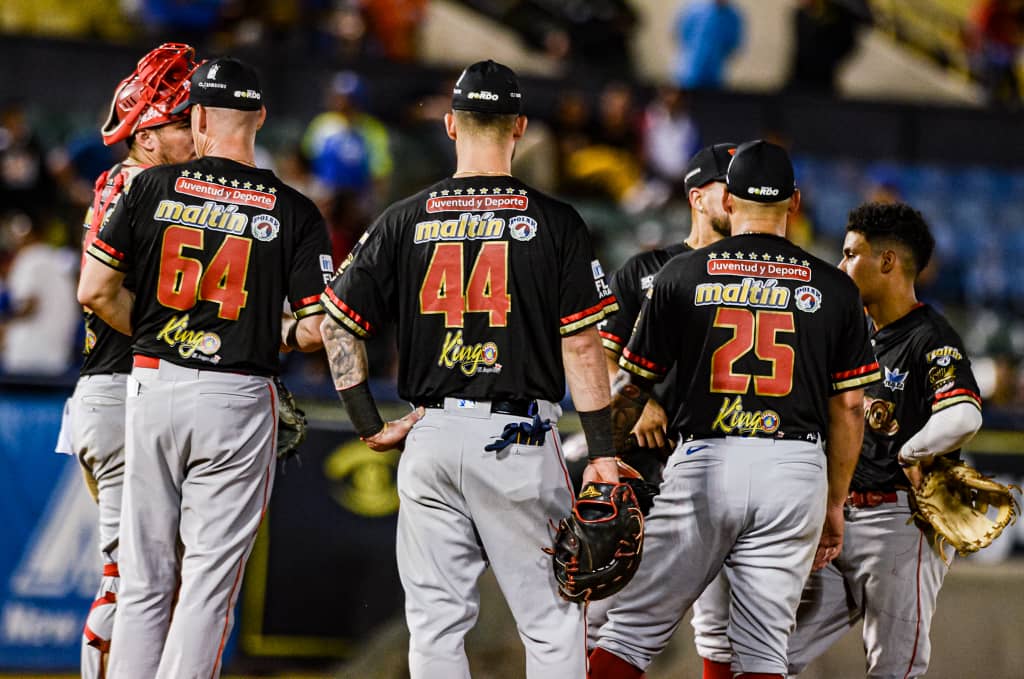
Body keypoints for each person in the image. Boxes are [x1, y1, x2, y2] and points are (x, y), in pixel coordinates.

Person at [319, 59, 620, 679]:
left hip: (430, 433)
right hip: (517, 439)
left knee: (434, 625)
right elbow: (585, 348)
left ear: (451, 125)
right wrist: (603, 452)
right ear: (520, 128)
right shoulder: (556, 221)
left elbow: (334, 324)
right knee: (552, 622)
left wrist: (368, 423)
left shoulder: (405, 217)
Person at [77, 56, 331, 679]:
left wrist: (168, 336)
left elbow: (94, 290)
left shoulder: (143, 186)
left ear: (197, 115)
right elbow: (322, 327)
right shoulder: (292, 208)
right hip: (225, 391)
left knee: (138, 581)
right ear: (262, 116)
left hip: (144, 382)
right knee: (202, 585)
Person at [591, 140, 881, 679]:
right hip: (794, 469)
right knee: (761, 653)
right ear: (793, 203)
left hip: (706, 458)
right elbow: (850, 407)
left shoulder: (680, 275)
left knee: (628, 634)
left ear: (729, 203)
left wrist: (599, 459)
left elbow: (630, 389)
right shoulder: (836, 288)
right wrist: (834, 504)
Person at [785, 202, 983, 677]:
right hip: (838, 519)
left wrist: (913, 449)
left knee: (893, 670)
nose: (840, 266)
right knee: (770, 650)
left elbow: (964, 412)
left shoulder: (929, 335)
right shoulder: (860, 336)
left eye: (851, 253)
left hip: (900, 522)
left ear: (887, 262)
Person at [59, 41, 200, 679]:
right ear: (144, 134)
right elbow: (95, 291)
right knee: (132, 581)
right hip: (123, 390)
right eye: (178, 121)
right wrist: (181, 346)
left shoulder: (137, 183)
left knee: (147, 581)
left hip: (119, 393)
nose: (194, 130)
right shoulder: (137, 185)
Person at [586, 142, 735, 650]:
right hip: (649, 467)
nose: (740, 197)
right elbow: (600, 358)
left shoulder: (762, 273)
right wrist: (637, 395)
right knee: (597, 615)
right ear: (696, 196)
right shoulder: (644, 272)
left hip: (728, 464)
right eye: (727, 186)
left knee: (719, 632)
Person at [0, 211, 78, 375]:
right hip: (58, 357)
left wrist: (5, 324)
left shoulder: (29, 258)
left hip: (28, 356)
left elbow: (28, 305)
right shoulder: (56, 258)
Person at [674, 0, 745, 90]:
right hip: (687, 75)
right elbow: (681, 35)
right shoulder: (693, 9)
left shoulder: (734, 16)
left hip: (715, 76)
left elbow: (733, 44)